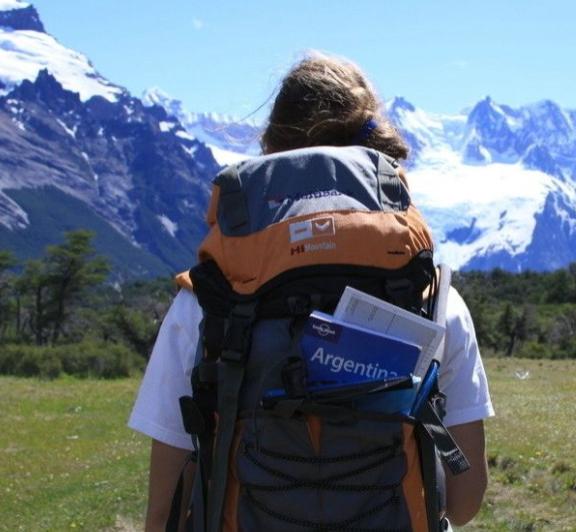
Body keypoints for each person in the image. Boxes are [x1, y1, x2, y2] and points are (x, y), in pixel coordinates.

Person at [128, 52, 494, 531]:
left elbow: (164, 512)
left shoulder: (209, 295)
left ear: (271, 146)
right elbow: (465, 500)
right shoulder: (429, 294)